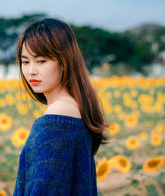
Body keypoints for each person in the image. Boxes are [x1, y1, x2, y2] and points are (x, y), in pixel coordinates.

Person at [13, 18, 107, 196]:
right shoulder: (76, 107)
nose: (31, 70)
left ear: (64, 62)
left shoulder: (58, 116)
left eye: (41, 61)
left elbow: (43, 189)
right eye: (25, 61)